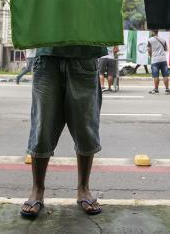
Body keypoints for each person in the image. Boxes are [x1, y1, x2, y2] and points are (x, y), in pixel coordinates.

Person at [20, 45, 105, 219]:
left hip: (85, 54)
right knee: (41, 128)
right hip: (46, 56)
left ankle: (83, 188)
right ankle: (37, 189)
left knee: (85, 128)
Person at [147, 31, 170, 95]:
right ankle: (167, 90)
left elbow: (149, 50)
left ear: (153, 32)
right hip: (163, 60)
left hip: (155, 60)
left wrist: (151, 56)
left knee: (156, 76)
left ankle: (156, 90)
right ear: (157, 32)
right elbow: (166, 49)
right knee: (165, 75)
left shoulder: (149, 40)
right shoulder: (163, 40)